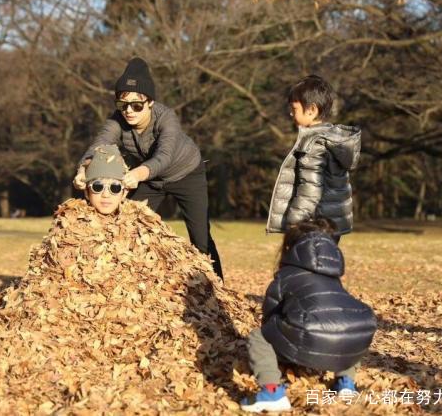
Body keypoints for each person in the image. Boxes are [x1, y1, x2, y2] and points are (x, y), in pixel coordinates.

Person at [73, 57, 222, 279]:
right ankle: (130, 280)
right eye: (123, 105)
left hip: (186, 174)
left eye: (137, 105)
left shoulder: (166, 118)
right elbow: (99, 146)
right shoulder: (117, 121)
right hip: (151, 179)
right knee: (128, 224)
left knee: (200, 237)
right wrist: (83, 169)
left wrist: (137, 174)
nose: (129, 111)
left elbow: (164, 156)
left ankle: (216, 289)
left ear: (150, 102)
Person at [240, 218, 377, 413]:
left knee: (259, 336)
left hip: (308, 335)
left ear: (292, 247)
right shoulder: (333, 275)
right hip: (357, 332)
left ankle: (271, 391)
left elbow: (269, 315)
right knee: (345, 328)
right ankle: (345, 384)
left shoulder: (286, 275)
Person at [266, 75, 361, 242]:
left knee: (306, 265)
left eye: (294, 109)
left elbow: (310, 189)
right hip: (332, 222)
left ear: (312, 110)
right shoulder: (333, 139)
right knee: (325, 263)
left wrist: (295, 222)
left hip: (313, 225)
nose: (290, 113)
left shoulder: (314, 145)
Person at [82, 144, 129, 215]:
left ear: (124, 193)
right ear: (86, 191)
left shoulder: (143, 224)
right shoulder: (68, 224)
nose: (106, 195)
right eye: (97, 187)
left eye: (115, 187)